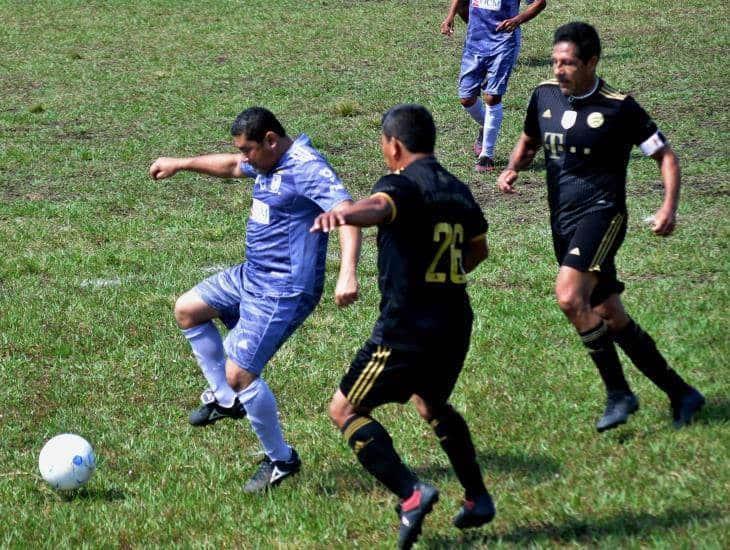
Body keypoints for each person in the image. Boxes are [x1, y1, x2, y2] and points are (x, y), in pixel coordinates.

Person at [496, 22, 705, 431]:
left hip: (603, 214)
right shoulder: (544, 96)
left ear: (591, 62)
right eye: (556, 61)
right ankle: (682, 393)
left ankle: (619, 392)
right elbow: (529, 139)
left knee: (569, 297)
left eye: (568, 63)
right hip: (563, 221)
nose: (559, 69)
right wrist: (511, 168)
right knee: (609, 314)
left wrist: (668, 208)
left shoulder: (619, 106)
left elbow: (665, 156)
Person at [149, 107, 361, 491]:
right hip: (251, 275)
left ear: (271, 140)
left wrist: (347, 272)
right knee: (188, 310)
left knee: (240, 372)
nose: (245, 158)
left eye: (249, 150)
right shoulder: (265, 162)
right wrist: (180, 163)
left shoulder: (307, 167)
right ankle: (226, 400)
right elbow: (232, 166)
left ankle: (281, 460)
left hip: (285, 290)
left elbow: (346, 214)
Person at [311, 104, 493, 549]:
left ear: (393, 145)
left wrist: (347, 213)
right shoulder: (457, 189)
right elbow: (478, 251)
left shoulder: (399, 183)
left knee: (345, 410)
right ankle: (477, 497)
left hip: (407, 328)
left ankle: (411, 495)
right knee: (431, 403)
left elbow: (380, 206)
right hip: (455, 322)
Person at [441, 0, 546, 173]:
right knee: (466, 99)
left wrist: (517, 20)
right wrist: (450, 16)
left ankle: (486, 155)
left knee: (492, 96)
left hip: (504, 43)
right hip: (475, 42)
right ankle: (487, 126)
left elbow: (540, 3)